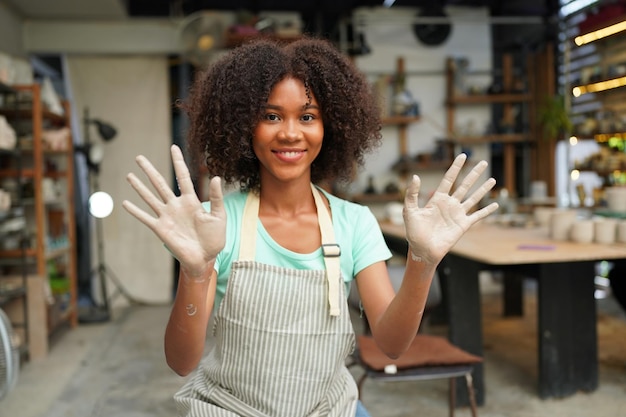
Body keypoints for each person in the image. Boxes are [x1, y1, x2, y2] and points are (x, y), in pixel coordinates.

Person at [122, 36, 499, 417]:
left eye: (307, 116)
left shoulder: (354, 223)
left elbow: (391, 344)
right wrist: (196, 270)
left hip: (329, 409)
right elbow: (181, 362)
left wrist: (422, 261)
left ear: (330, 126)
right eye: (270, 116)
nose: (289, 133)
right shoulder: (216, 226)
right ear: (243, 126)